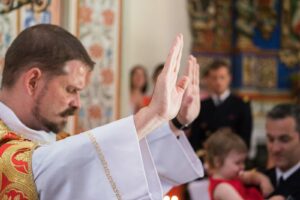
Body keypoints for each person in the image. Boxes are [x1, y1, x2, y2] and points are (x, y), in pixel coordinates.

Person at [0, 24, 203, 200]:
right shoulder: (11, 151)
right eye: (71, 90)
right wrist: (151, 116)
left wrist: (176, 122)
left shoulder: (58, 141)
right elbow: (46, 169)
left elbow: (117, 170)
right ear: (33, 81)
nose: (78, 103)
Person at [189, 59, 253, 151]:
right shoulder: (201, 106)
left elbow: (245, 140)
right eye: (214, 78)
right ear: (208, 79)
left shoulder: (241, 106)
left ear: (229, 78)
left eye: (222, 77)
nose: (218, 82)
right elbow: (194, 140)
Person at [205, 128, 269, 200]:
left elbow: (251, 177)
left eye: (243, 162)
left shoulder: (233, 177)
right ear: (218, 162)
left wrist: (263, 180)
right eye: (237, 163)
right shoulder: (222, 188)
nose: (243, 166)